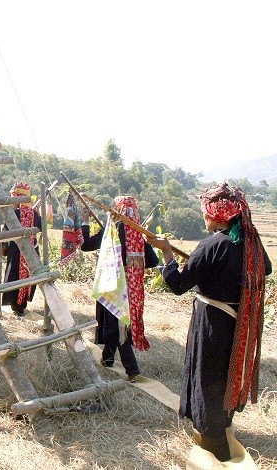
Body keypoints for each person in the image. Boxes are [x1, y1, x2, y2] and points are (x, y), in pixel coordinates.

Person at [147, 184, 271, 462]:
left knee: (209, 377)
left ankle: (213, 440)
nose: (204, 218)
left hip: (214, 323)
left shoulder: (213, 245)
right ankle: (224, 423)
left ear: (217, 215)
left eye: (206, 213)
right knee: (228, 373)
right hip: (240, 325)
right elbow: (267, 268)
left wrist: (167, 253)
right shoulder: (250, 243)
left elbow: (178, 284)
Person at [80, 196, 158, 380]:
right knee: (117, 323)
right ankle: (107, 359)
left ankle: (132, 370)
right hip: (133, 287)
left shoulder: (112, 231)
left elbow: (85, 246)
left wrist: (85, 223)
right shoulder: (139, 234)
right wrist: (132, 266)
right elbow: (153, 261)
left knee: (116, 326)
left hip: (113, 284)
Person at [2, 182, 43, 316]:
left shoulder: (14, 214)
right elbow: (41, 228)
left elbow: (5, 233)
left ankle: (15, 304)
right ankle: (21, 304)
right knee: (29, 275)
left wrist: (4, 248)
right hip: (32, 250)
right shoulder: (35, 215)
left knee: (14, 275)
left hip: (16, 250)